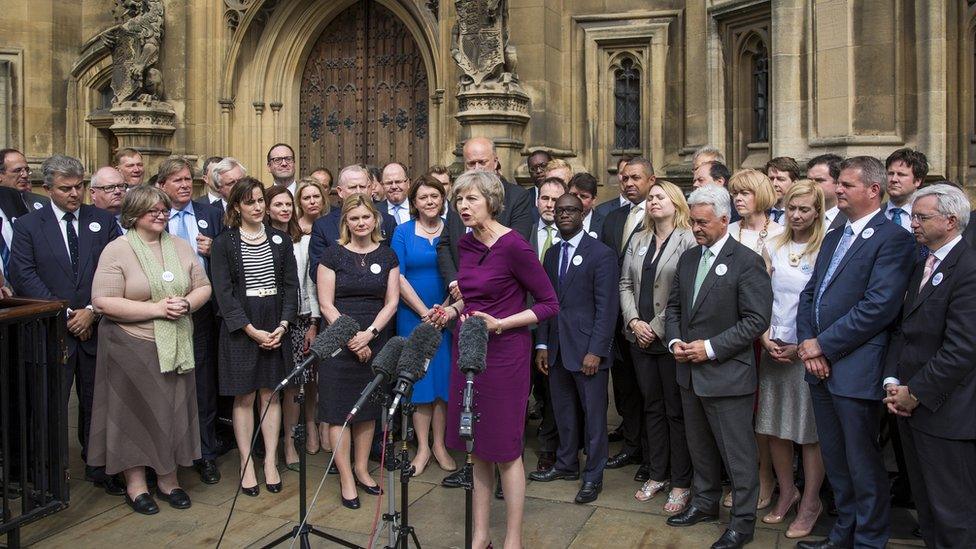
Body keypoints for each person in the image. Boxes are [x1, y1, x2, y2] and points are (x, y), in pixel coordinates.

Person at [430, 170, 558, 549]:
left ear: (492, 201)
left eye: (471, 199)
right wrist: (451, 311)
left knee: (504, 449)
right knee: (475, 447)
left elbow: (550, 304)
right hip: (468, 353)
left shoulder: (515, 245)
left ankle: (512, 540)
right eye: (459, 200)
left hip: (505, 358)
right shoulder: (467, 245)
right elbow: (474, 297)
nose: (463, 207)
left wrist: (500, 324)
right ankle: (480, 536)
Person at [795, 156, 917, 549]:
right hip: (819, 368)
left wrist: (823, 343)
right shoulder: (834, 233)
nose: (838, 190)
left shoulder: (893, 239)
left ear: (873, 190)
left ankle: (869, 539)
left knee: (863, 463)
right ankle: (842, 533)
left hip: (856, 368)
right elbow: (810, 294)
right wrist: (808, 344)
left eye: (846, 184)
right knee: (836, 459)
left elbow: (878, 307)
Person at [88, 185, 212, 514]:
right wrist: (156, 310)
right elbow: (103, 301)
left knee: (171, 412)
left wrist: (186, 303)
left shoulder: (181, 247)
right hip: (131, 345)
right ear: (133, 215)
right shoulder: (118, 249)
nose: (160, 214)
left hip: (175, 344)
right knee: (135, 415)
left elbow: (203, 286)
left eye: (163, 209)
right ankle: (136, 484)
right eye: (151, 210)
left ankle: (169, 479)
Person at [663, 184, 772, 549]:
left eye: (703, 223)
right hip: (689, 375)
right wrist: (675, 341)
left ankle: (743, 523)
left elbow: (756, 320)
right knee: (700, 448)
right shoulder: (690, 258)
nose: (695, 228)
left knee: (738, 455)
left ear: (725, 219)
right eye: (692, 222)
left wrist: (709, 348)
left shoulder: (747, 261)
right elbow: (675, 308)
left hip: (726, 375)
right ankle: (705, 503)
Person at [8, 154, 124, 494]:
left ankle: (99, 465)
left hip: (97, 327)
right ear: (48, 189)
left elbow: (114, 267)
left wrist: (91, 309)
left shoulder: (101, 221)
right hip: (51, 332)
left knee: (97, 401)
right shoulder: (29, 226)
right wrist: (67, 313)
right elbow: (22, 273)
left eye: (79, 187)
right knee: (50, 405)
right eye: (65, 189)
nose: (74, 194)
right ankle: (49, 473)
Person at [882, 183, 976, 548]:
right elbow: (905, 329)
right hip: (909, 406)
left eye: (921, 217)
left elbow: (962, 348)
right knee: (928, 510)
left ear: (950, 221)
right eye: (913, 216)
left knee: (954, 514)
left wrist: (916, 393)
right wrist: (894, 380)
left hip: (946, 412)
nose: (913, 224)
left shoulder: (967, 269)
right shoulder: (923, 261)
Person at [211, 177, 298, 497]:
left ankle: (271, 462)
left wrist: (284, 325)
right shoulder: (224, 243)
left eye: (261, 200)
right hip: (241, 329)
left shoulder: (280, 240)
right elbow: (223, 292)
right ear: (236, 207)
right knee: (245, 397)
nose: (258, 207)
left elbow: (291, 287)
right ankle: (247, 464)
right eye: (250, 202)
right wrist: (249, 329)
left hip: (275, 325)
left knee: (271, 395)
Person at [531, 193, 618, 504]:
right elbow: (545, 303)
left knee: (594, 418)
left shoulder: (601, 254)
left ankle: (593, 476)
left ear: (583, 213)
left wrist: (597, 350)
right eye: (559, 210)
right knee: (563, 411)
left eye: (571, 210)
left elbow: (607, 309)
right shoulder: (552, 254)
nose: (564, 214)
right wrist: (542, 343)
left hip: (587, 352)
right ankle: (566, 464)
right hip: (555, 349)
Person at [316, 193, 400, 509]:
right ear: (346, 223)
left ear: (374, 220)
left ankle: (362, 469)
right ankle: (346, 477)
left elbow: (391, 302)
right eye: (354, 218)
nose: (361, 223)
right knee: (339, 409)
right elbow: (326, 303)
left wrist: (369, 335)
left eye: (366, 217)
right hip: (339, 339)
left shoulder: (388, 255)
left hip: (375, 336)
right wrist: (352, 338)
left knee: (367, 409)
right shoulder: (332, 255)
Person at [619, 180, 696, 513]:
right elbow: (624, 283)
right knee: (651, 406)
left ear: (676, 202)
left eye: (659, 196)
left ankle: (681, 482)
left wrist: (654, 327)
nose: (653, 202)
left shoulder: (688, 239)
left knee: (675, 411)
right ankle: (657, 472)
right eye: (650, 198)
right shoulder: (638, 239)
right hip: (639, 339)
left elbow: (685, 290)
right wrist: (635, 322)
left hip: (669, 339)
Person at [755, 181, 826, 538]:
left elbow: (827, 303)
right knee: (774, 428)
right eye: (791, 208)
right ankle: (786, 493)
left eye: (804, 209)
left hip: (809, 351)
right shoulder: (773, 245)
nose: (796, 216)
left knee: (808, 433)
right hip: (774, 347)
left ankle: (811, 501)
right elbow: (760, 297)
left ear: (817, 210)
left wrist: (805, 345)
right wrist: (765, 337)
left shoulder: (827, 246)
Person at [156, 156, 225, 485]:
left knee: (203, 386)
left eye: (188, 180)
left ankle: (206, 453)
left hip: (203, 313)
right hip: (163, 316)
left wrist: (216, 250)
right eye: (177, 181)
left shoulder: (210, 213)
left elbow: (229, 255)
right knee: (165, 386)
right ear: (162, 186)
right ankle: (165, 456)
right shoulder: (155, 218)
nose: (185, 185)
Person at [390, 175, 456, 475]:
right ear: (413, 202)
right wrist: (423, 312)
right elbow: (398, 277)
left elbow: (462, 274)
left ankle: (440, 444)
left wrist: (445, 311)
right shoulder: (402, 232)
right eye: (423, 197)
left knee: (442, 383)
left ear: (443, 199)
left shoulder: (454, 231)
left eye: (435, 196)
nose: (430, 202)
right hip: (412, 315)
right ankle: (422, 447)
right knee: (420, 383)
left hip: (447, 315)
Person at [600, 157, 656, 479]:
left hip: (646, 319)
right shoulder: (612, 218)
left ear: (651, 180)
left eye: (636, 177)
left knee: (649, 389)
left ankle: (652, 455)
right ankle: (632, 445)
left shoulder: (661, 213)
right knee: (623, 388)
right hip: (617, 317)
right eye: (624, 178)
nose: (629, 183)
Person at [265, 185, 323, 468]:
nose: (285, 209)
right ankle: (267, 447)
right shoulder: (259, 238)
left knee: (293, 385)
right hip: (268, 321)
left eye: (289, 204)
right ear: (267, 209)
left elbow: (310, 282)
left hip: (299, 319)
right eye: (279, 204)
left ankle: (289, 444)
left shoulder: (303, 241)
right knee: (268, 386)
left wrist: (313, 320)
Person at [436, 137, 533, 291]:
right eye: (471, 163)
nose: (477, 168)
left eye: (482, 162)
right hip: (459, 295)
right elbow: (445, 244)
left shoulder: (517, 197)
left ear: (495, 162)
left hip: (502, 293)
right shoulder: (459, 199)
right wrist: (454, 282)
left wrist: (473, 282)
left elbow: (516, 245)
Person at [307, 164, 397, 274]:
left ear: (370, 189)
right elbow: (316, 270)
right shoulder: (323, 225)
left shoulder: (387, 221)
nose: (358, 191)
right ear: (340, 191)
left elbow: (395, 264)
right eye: (353, 187)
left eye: (362, 187)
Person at [884, 148, 929, 232]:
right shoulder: (873, 214)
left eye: (901, 175)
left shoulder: (929, 216)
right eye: (890, 173)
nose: (893, 179)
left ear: (917, 181)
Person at [806, 154, 846, 230]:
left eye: (819, 180)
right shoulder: (800, 216)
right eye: (809, 180)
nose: (812, 185)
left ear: (838, 182)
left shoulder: (851, 218)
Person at [567, 172, 604, 238]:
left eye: (583, 196)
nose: (577, 200)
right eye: (573, 195)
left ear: (594, 199)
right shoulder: (558, 219)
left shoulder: (605, 224)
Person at [766, 157, 801, 223]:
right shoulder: (758, 212)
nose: (774, 184)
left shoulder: (801, 214)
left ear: (794, 183)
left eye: (780, 179)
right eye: (771, 179)